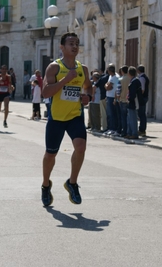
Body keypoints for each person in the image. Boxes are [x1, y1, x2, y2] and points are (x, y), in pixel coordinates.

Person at [41, 32, 93, 206]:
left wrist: (88, 97)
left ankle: (72, 183)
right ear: (61, 47)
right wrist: (65, 80)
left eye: (77, 43)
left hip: (75, 115)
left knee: (81, 147)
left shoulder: (82, 69)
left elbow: (88, 87)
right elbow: (45, 92)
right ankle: (46, 185)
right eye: (71, 43)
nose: (75, 46)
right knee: (51, 154)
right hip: (57, 117)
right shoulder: (54, 68)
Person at [0, 65, 12, 130]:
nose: (4, 70)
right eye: (2, 69)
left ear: (6, 70)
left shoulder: (8, 77)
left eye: (5, 69)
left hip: (6, 93)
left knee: (6, 106)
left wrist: (11, 88)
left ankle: (5, 121)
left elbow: (10, 84)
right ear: (0, 70)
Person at [126, 66, 142, 139]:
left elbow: (133, 93)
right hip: (132, 102)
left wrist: (129, 98)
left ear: (129, 73)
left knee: (133, 119)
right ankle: (129, 133)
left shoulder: (135, 81)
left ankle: (134, 134)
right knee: (129, 119)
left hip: (133, 102)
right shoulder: (134, 80)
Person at [104, 65, 120, 135]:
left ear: (110, 71)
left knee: (112, 113)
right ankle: (110, 128)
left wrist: (106, 85)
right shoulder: (110, 77)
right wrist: (106, 85)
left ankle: (113, 128)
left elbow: (108, 87)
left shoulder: (115, 77)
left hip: (112, 97)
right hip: (108, 96)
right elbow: (107, 86)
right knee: (109, 114)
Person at [117, 65, 130, 137]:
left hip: (122, 100)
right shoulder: (131, 79)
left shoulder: (121, 80)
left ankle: (124, 131)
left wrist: (117, 99)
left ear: (122, 71)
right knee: (129, 117)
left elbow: (118, 91)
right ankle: (129, 131)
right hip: (129, 100)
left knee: (123, 117)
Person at [137, 65, 149, 137]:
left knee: (141, 114)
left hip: (142, 98)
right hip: (143, 97)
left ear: (139, 70)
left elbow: (142, 90)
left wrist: (139, 96)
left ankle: (142, 129)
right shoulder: (144, 77)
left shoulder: (142, 78)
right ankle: (142, 129)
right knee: (141, 114)